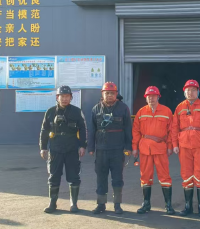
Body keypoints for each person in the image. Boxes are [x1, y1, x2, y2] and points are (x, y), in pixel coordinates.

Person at [39, 86, 87, 214]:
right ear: (57, 97)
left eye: (67, 96)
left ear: (71, 98)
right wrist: (43, 147)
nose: (64, 99)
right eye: (62, 96)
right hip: (55, 148)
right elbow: (44, 130)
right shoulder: (50, 112)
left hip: (72, 148)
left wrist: (83, 146)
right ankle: (52, 203)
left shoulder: (77, 112)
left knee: (74, 176)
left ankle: (73, 204)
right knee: (54, 176)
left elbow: (83, 129)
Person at [87, 82, 132, 215]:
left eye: (112, 93)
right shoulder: (96, 109)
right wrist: (91, 147)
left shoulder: (123, 108)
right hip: (101, 150)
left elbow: (128, 129)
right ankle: (101, 204)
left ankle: (117, 205)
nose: (109, 95)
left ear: (116, 94)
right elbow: (92, 129)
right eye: (107, 93)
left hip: (117, 150)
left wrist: (128, 147)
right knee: (101, 178)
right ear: (102, 94)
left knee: (117, 178)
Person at [171, 80, 200, 217]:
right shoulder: (179, 107)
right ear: (184, 92)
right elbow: (174, 127)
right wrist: (175, 144)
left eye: (193, 90)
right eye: (188, 90)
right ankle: (188, 206)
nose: (190, 92)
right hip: (184, 145)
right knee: (186, 175)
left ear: (198, 92)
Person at [132, 86, 175, 215]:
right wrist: (134, 148)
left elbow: (171, 131)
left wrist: (170, 146)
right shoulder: (141, 112)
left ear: (158, 97)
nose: (151, 98)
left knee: (165, 176)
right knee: (145, 177)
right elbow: (136, 131)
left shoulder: (166, 111)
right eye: (148, 96)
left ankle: (168, 205)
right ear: (146, 98)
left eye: (153, 96)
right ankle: (146, 203)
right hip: (145, 149)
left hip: (160, 148)